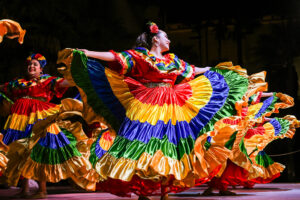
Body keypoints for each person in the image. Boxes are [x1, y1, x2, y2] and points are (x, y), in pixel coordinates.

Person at [64, 21, 261, 200]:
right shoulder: (141, 55)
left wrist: (214, 70)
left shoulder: (173, 60)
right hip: (147, 105)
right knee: (144, 146)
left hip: (173, 106)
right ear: (156, 39)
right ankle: (143, 191)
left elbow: (193, 69)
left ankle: (164, 189)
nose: (169, 39)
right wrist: (88, 53)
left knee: (170, 147)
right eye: (166, 36)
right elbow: (115, 57)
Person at [0, 53, 98, 198]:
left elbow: (66, 82)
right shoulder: (18, 83)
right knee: (22, 150)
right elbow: (2, 88)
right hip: (19, 120)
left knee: (38, 150)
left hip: (40, 118)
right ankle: (25, 189)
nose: (31, 66)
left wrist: (81, 74)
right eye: (29, 64)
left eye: (35, 64)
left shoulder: (47, 81)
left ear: (41, 70)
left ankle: (42, 190)